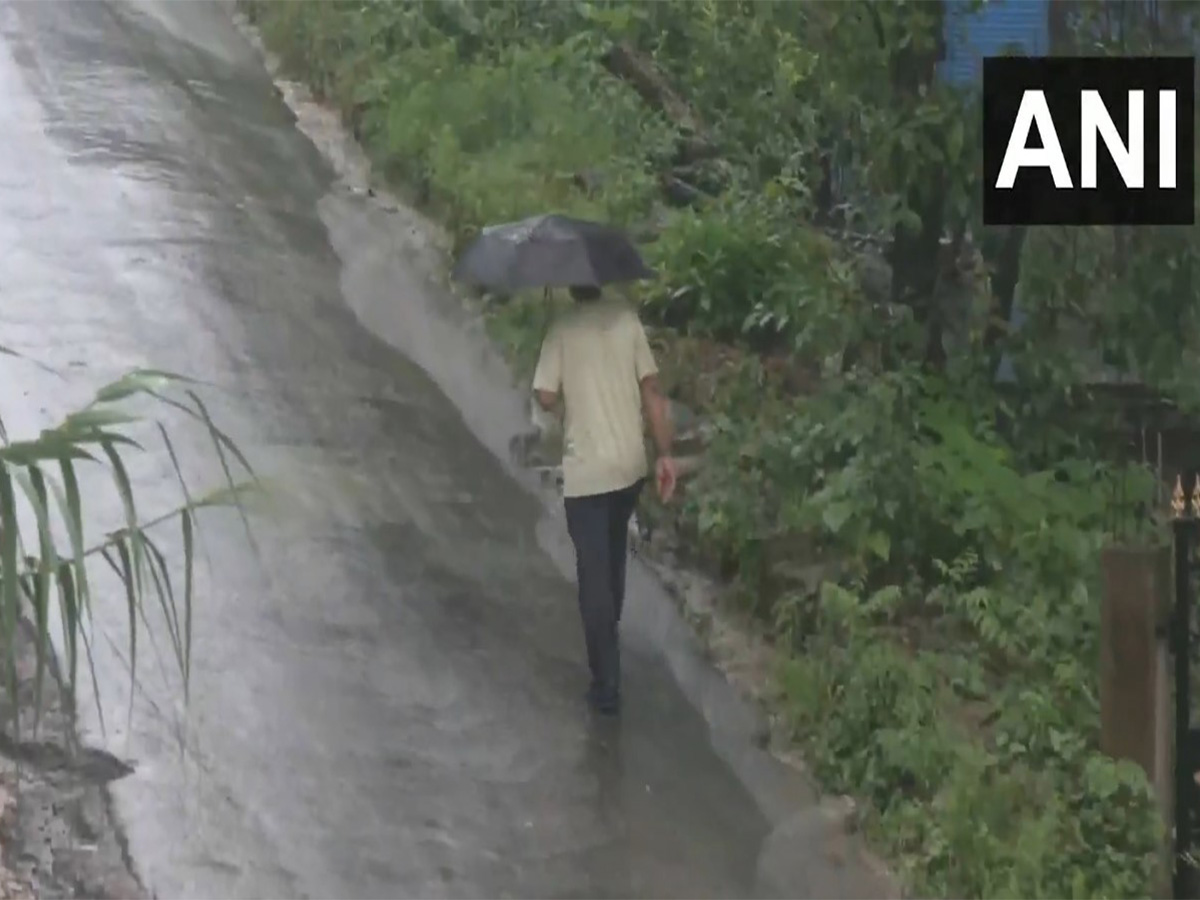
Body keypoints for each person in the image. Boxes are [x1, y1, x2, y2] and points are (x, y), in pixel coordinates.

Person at [532, 284, 677, 715]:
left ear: (572, 286)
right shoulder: (627, 320)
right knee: (613, 561)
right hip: (629, 467)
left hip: (587, 474)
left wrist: (556, 371)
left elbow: (544, 395)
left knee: (593, 575)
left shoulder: (561, 328)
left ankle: (606, 684)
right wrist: (666, 454)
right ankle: (607, 638)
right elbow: (652, 392)